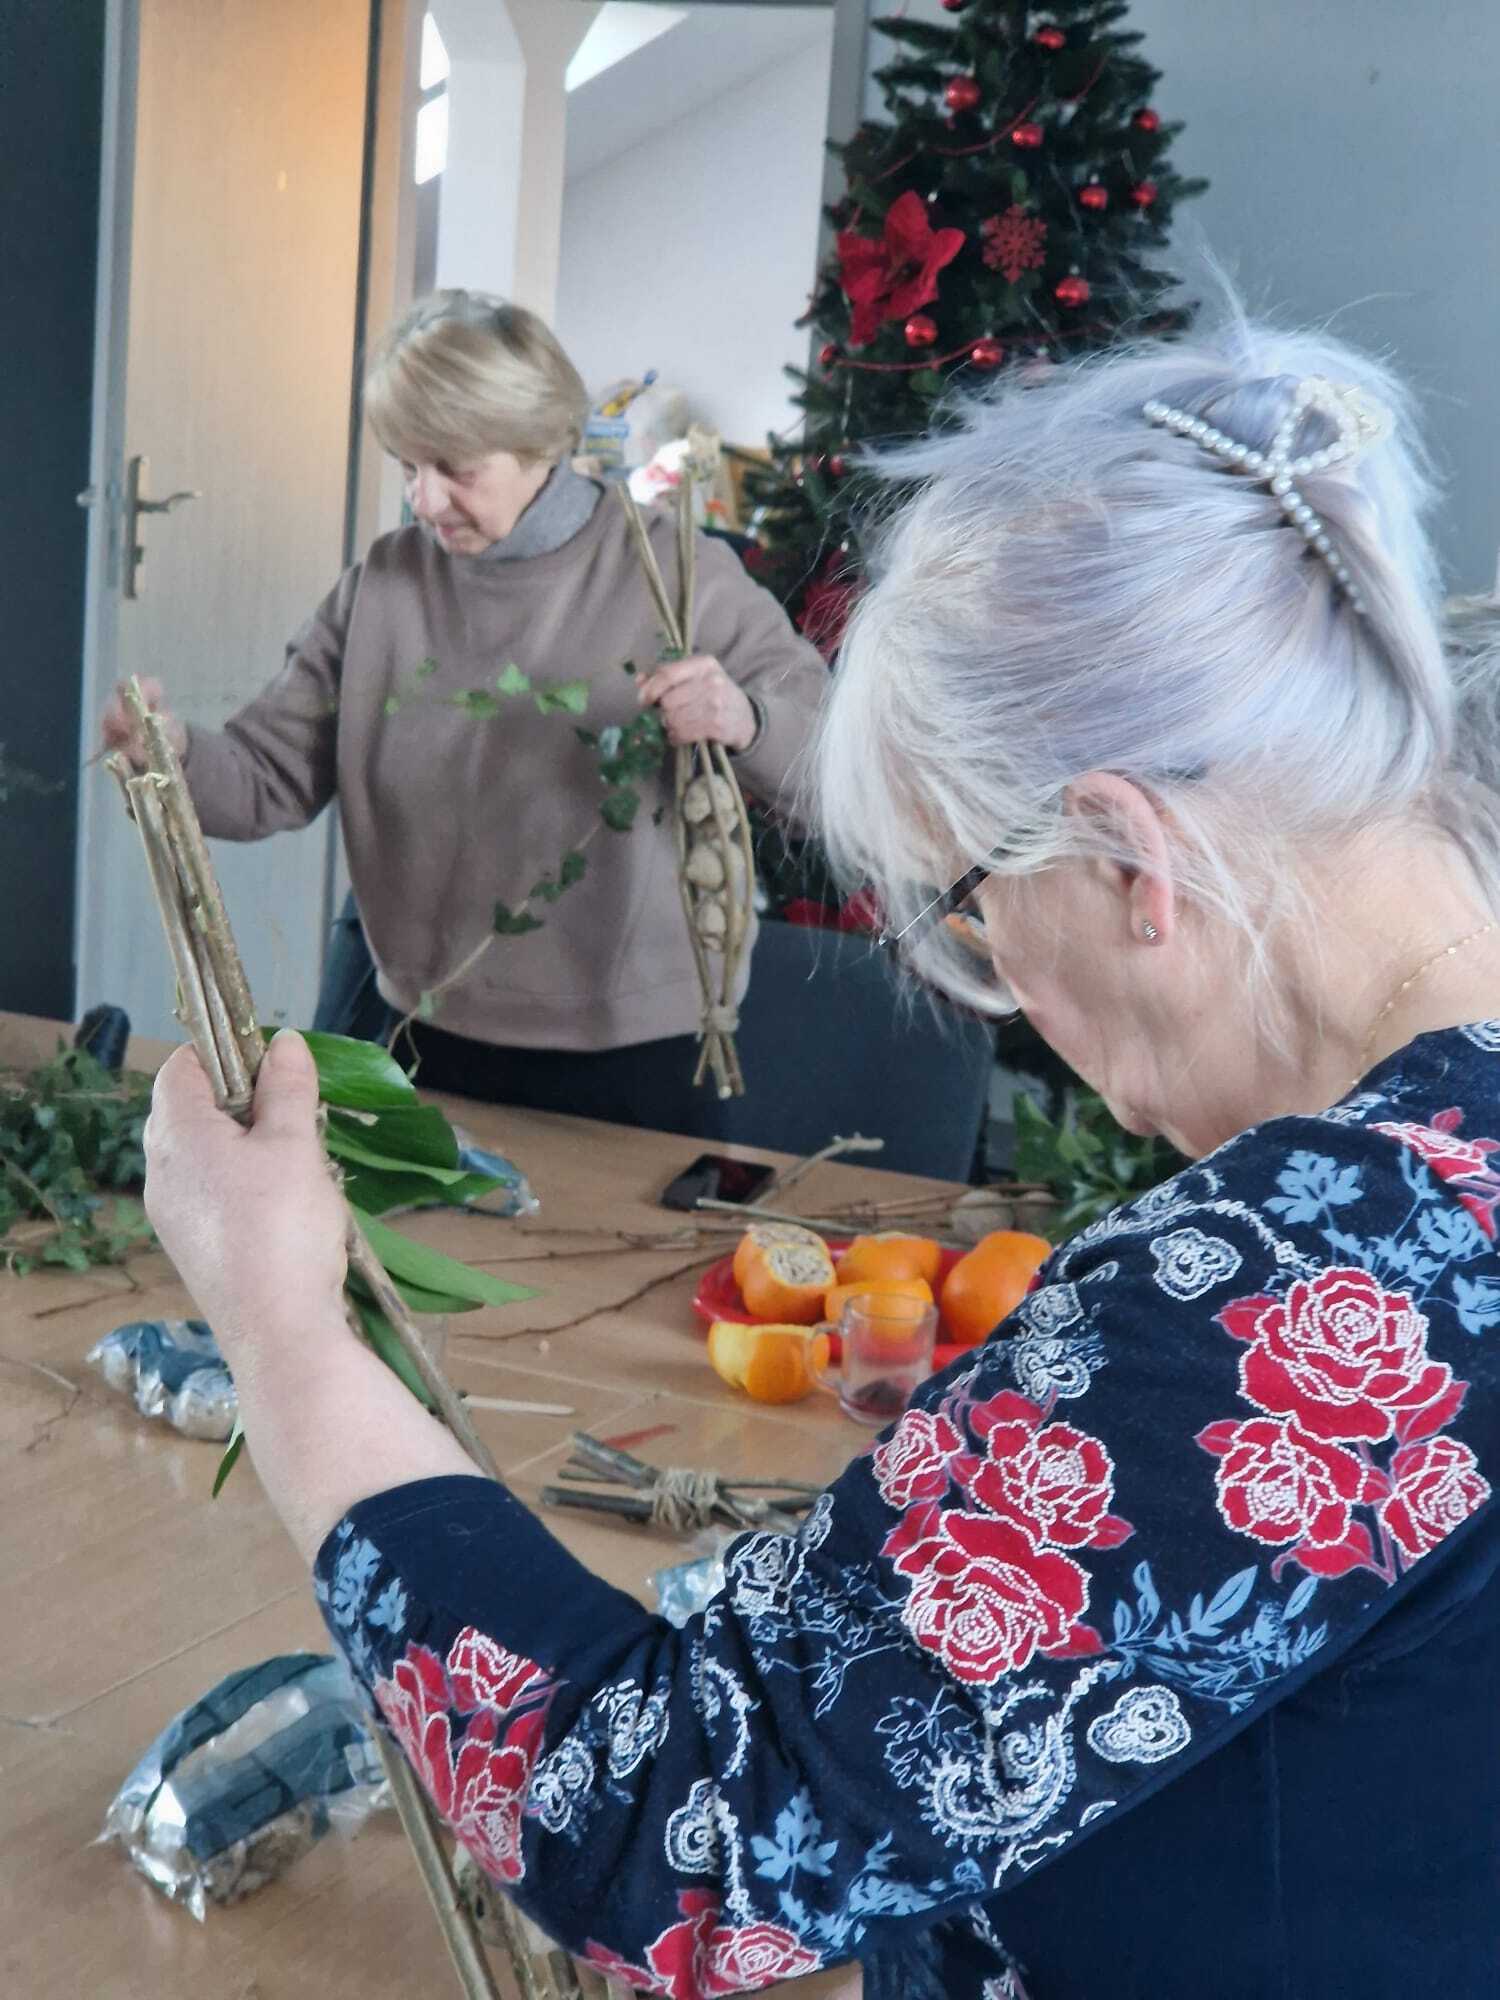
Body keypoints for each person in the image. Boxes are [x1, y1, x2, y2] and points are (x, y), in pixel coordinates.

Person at [141, 308, 1500, 1998]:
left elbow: (671, 1834)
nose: (1009, 998)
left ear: (1125, 859)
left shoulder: (1308, 1294)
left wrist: (276, 1322)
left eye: (975, 918)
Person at [102, 290, 827, 1137]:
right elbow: (266, 777)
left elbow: (829, 763)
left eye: (456, 468)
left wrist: (745, 720)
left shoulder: (678, 574)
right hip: (419, 1033)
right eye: (407, 466)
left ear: (542, 443)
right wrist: (172, 755)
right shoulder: (384, 585)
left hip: (635, 1053)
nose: (425, 500)